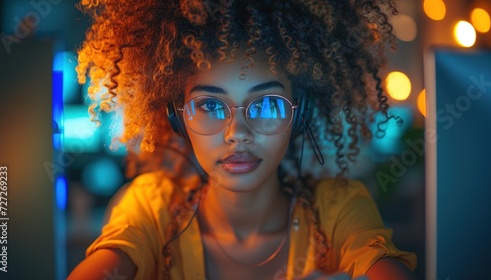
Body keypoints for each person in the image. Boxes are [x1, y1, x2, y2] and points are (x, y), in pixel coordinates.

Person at [68, 0, 418, 279]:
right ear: (177, 116)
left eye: (266, 104)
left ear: (300, 113)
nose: (238, 133)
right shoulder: (151, 208)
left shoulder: (338, 211)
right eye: (209, 105)